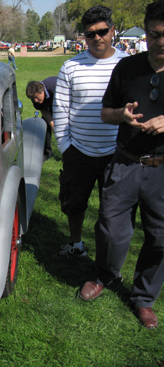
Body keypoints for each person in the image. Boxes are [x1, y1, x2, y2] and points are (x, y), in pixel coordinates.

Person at [79, 1, 164, 329]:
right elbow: (105, 112)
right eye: (155, 35)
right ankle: (105, 276)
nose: (160, 42)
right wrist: (122, 115)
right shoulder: (126, 68)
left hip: (162, 170)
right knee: (112, 231)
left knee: (160, 237)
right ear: (146, 33)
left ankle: (143, 297)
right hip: (125, 164)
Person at [52, 6, 128, 259]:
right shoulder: (71, 66)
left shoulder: (127, 64)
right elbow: (61, 109)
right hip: (79, 152)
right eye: (90, 34)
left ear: (112, 31)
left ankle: (108, 260)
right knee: (74, 204)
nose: (97, 38)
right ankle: (76, 245)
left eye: (102, 32)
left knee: (113, 212)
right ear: (83, 37)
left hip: (118, 154)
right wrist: (66, 147)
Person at [26, 77, 57, 160]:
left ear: (41, 91)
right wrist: (52, 125)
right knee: (45, 124)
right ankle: (46, 153)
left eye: (36, 97)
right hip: (50, 103)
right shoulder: (36, 99)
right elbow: (44, 111)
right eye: (33, 99)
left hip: (65, 104)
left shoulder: (54, 87)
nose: (35, 101)